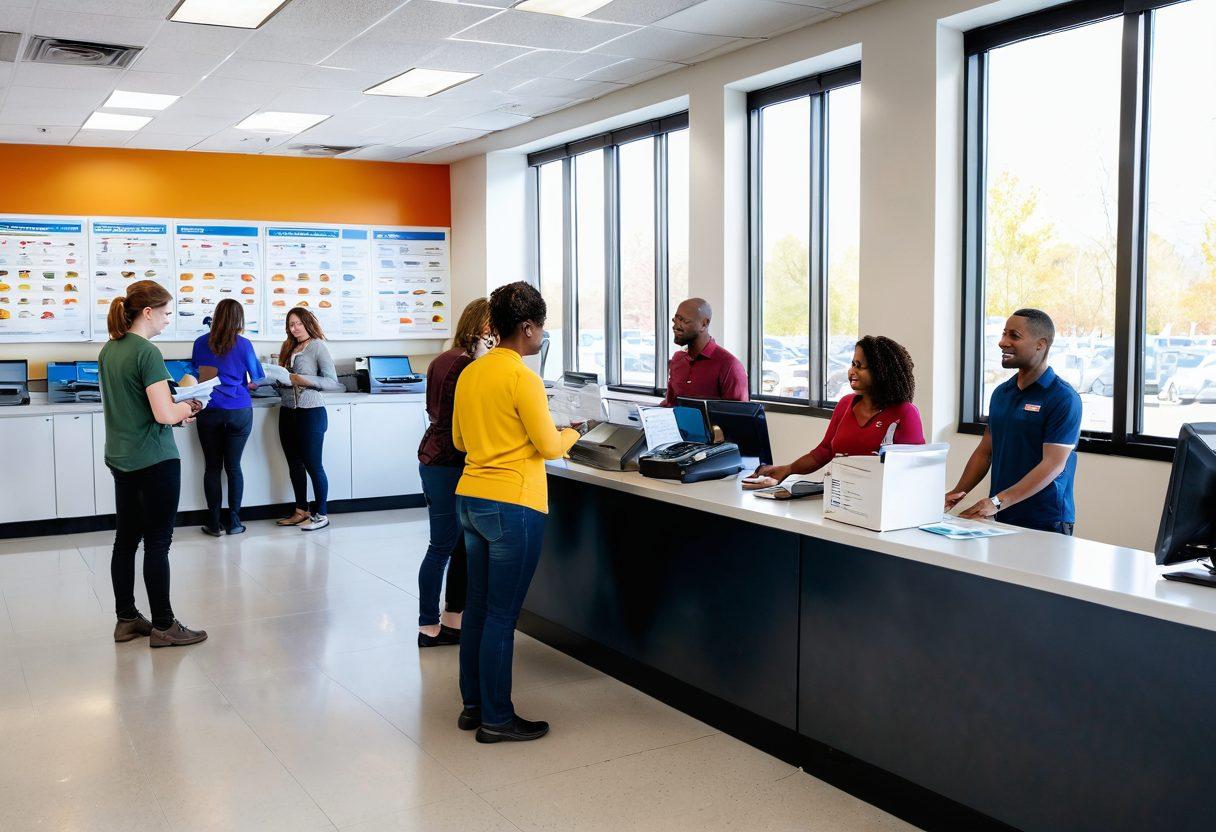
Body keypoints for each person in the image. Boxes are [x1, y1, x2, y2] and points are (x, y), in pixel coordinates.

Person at [452, 281, 585, 743]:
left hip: (471, 498)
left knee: (477, 608)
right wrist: (575, 431)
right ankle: (497, 719)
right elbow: (548, 446)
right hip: (513, 505)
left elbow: (460, 441)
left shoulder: (471, 372)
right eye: (541, 327)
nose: (542, 335)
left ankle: (473, 706)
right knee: (502, 617)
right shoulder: (521, 377)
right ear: (527, 327)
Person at [98, 280, 207, 647]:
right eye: (166, 313)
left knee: (126, 540)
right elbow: (164, 413)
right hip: (154, 459)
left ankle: (127, 619)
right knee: (158, 543)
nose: (167, 319)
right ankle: (164, 625)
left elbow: (140, 406)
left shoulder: (110, 349)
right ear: (147, 312)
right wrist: (189, 406)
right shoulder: (147, 352)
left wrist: (175, 412)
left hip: (121, 457)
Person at [946, 309, 1082, 534]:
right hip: (1003, 515)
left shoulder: (1063, 398)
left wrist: (997, 501)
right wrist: (957, 493)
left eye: (1014, 336)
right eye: (1003, 334)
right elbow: (985, 452)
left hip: (1046, 520)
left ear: (1040, 345)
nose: (1002, 342)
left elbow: (1053, 464)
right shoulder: (1001, 393)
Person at [416, 297, 495, 648]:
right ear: (483, 327)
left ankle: (452, 619)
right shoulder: (467, 365)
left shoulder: (443, 359)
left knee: (460, 546)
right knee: (442, 546)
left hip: (436, 456)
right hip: (448, 463)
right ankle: (428, 626)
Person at [753, 336, 924, 483]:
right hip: (840, 496)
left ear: (881, 372)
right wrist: (788, 469)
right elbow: (824, 451)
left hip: (882, 500)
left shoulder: (905, 413)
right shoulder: (845, 404)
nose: (852, 371)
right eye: (852, 364)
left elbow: (914, 469)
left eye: (859, 366)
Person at [191, 298, 265, 537]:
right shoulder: (244, 344)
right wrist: (243, 384)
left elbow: (197, 373)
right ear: (239, 319)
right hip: (238, 410)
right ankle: (234, 522)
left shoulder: (200, 343)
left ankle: (214, 524)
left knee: (212, 467)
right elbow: (257, 379)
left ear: (216, 316)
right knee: (233, 467)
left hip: (209, 408)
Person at [275, 307, 343, 531]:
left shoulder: (317, 346)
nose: (294, 328)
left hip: (311, 412)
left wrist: (302, 379)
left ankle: (321, 514)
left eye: (298, 323)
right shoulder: (287, 347)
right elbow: (285, 379)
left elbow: (332, 382)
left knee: (313, 465)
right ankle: (301, 510)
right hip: (287, 411)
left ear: (307, 323)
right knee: (294, 464)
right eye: (291, 324)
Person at [661, 297, 749, 406]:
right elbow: (670, 405)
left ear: (704, 324)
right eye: (675, 320)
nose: (675, 326)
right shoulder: (677, 359)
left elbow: (739, 414)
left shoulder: (730, 365)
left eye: (683, 320)